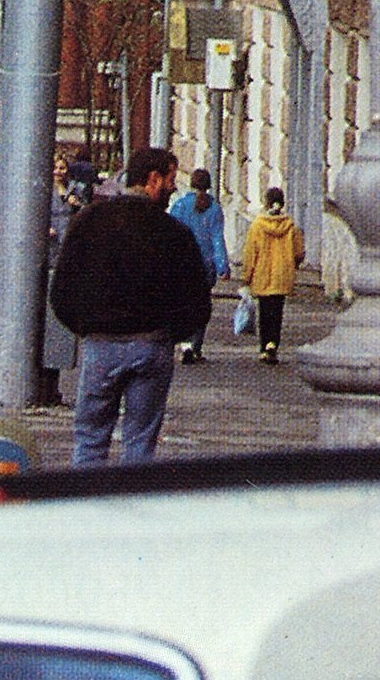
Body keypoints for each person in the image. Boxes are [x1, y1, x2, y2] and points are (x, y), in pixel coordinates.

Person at [48, 145, 212, 468]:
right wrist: (169, 334)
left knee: (91, 439)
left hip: (100, 346)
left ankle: (87, 509)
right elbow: (197, 301)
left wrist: (86, 328)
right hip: (152, 346)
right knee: (140, 444)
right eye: (169, 179)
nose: (173, 188)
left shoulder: (89, 222)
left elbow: (62, 290)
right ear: (152, 180)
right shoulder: (175, 235)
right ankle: (131, 512)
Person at [39, 157, 95, 405]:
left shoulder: (76, 191)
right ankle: (43, 386)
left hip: (66, 261)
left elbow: (87, 217)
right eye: (55, 167)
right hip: (46, 260)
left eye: (62, 168)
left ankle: (54, 386)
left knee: (60, 332)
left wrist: (76, 206)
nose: (58, 172)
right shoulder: (41, 192)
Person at [236, 187, 303, 363]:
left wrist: (247, 275)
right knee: (277, 311)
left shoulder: (257, 226)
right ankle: (273, 343)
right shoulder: (290, 226)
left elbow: (251, 253)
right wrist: (292, 265)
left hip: (263, 275)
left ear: (266, 202)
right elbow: (299, 252)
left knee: (264, 312)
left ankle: (264, 346)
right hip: (282, 275)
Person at [170, 167, 229, 363]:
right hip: (205, 265)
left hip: (181, 263)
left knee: (183, 302)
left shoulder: (179, 206)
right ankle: (196, 346)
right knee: (201, 305)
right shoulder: (214, 209)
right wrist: (222, 266)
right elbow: (217, 239)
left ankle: (184, 343)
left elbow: (170, 234)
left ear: (192, 183)